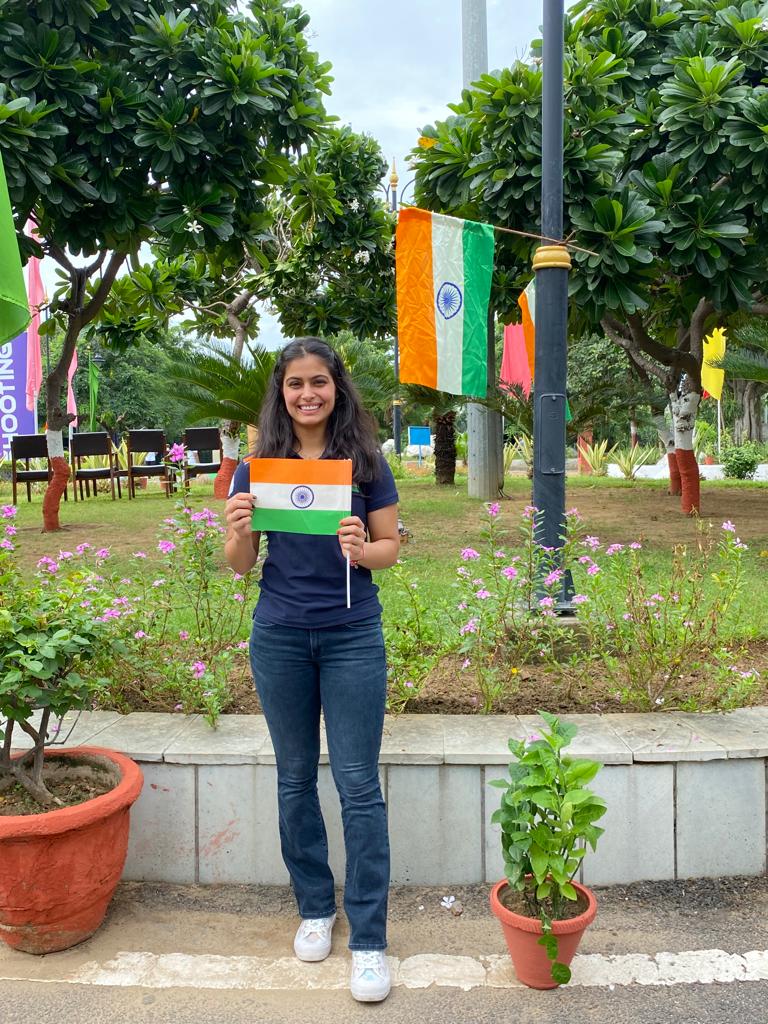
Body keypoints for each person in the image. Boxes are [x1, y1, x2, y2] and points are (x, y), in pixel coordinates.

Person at [224, 337, 400, 1003]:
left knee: (359, 786)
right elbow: (241, 565)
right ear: (281, 391)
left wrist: (364, 547)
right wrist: (239, 527)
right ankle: (315, 909)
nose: (307, 394)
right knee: (295, 779)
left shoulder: (362, 462)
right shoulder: (257, 466)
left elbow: (390, 549)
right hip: (280, 636)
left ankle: (372, 940)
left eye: (318, 382)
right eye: (295, 383)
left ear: (336, 387)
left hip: (352, 635)